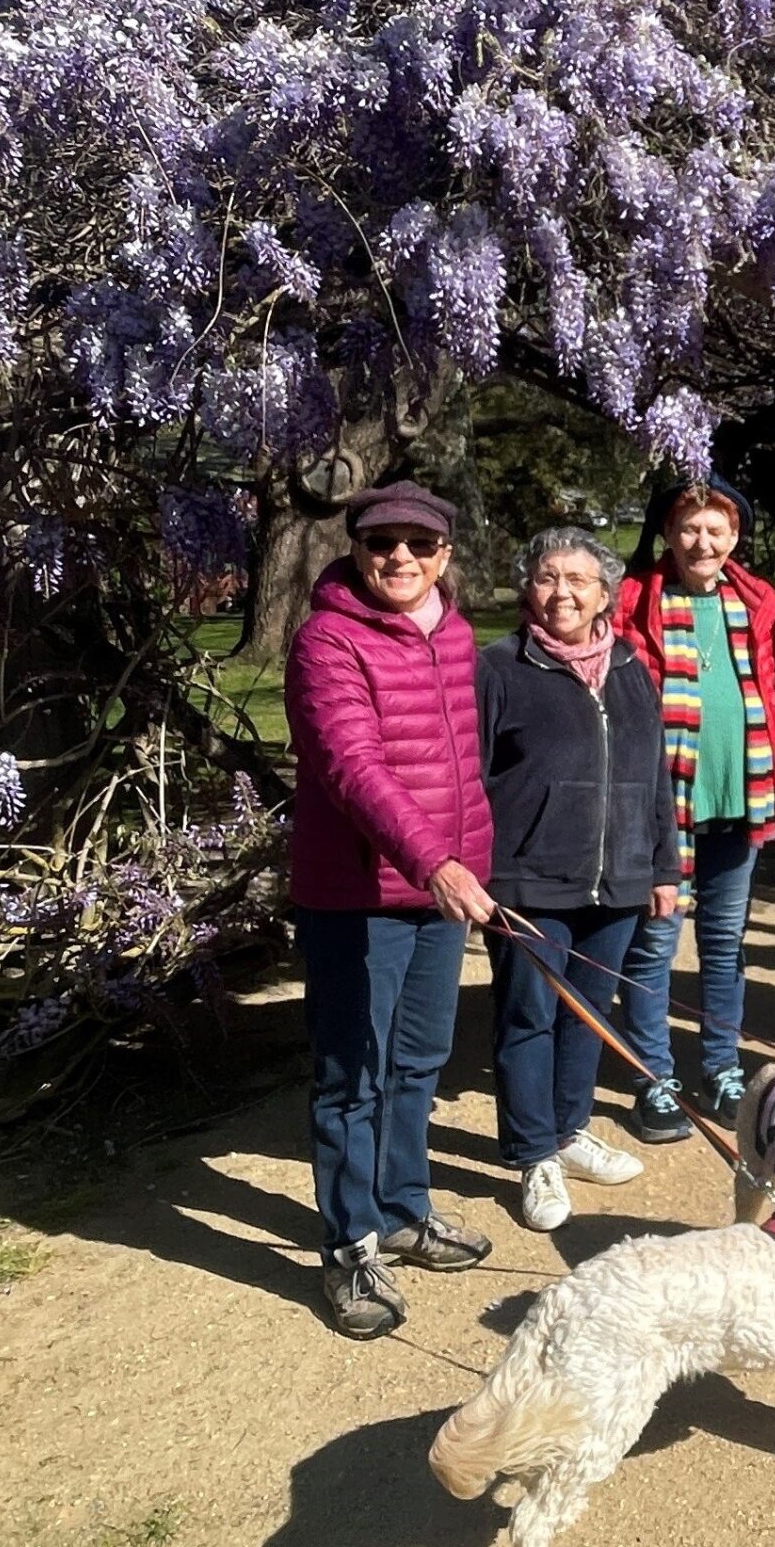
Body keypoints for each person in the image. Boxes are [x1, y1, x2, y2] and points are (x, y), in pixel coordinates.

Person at [285, 481, 496, 1340]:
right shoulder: (325, 641)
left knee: (418, 1062)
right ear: (358, 550)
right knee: (353, 1075)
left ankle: (405, 1209)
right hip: (358, 896)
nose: (399, 558)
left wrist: (465, 863)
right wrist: (436, 860)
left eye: (419, 543)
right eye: (382, 543)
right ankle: (349, 1245)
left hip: (436, 888)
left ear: (445, 554)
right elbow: (353, 767)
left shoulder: (453, 633)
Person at [476, 527, 681, 1230]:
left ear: (604, 594)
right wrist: (483, 875)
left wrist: (663, 868)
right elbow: (471, 781)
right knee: (527, 1016)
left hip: (619, 880)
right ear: (527, 588)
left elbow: (655, 773)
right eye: (546, 577)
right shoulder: (500, 667)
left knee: (588, 1017)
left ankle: (568, 1131)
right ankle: (533, 1153)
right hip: (529, 878)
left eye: (577, 580)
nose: (561, 592)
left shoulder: (629, 667)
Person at [615, 479, 775, 1131]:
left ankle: (721, 1068)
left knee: (724, 945)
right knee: (654, 943)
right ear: (668, 534)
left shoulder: (759, 604)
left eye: (716, 530)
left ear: (734, 537)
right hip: (665, 805)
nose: (702, 542)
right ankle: (654, 1076)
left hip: (739, 799)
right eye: (690, 529)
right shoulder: (636, 601)